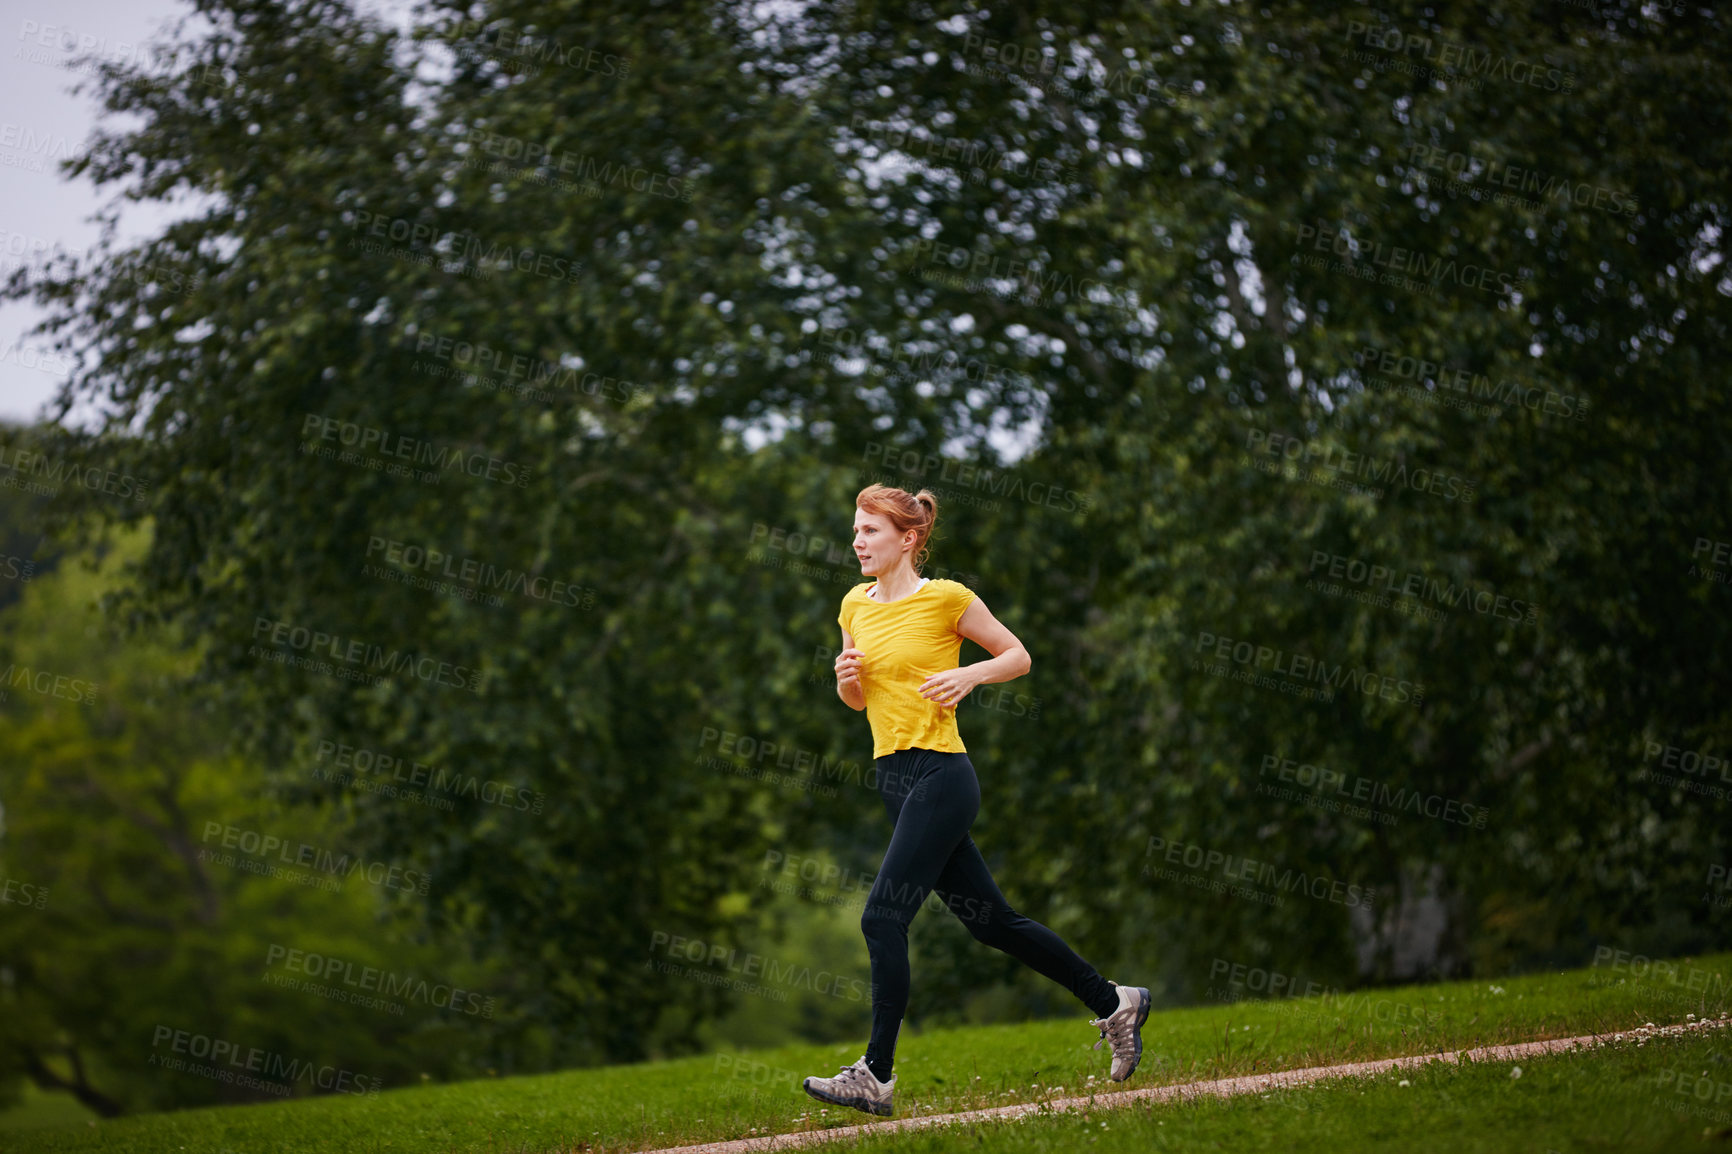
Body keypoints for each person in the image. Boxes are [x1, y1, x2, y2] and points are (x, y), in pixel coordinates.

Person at [800, 483, 1149, 1118]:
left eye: (870, 531)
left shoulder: (947, 599)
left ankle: (875, 1075)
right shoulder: (854, 605)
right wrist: (846, 684)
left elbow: (1018, 655)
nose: (856, 541)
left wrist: (969, 674)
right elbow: (862, 701)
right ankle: (1113, 1002)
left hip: (941, 776)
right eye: (855, 530)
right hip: (893, 778)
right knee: (991, 923)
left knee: (882, 918)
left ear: (908, 539)